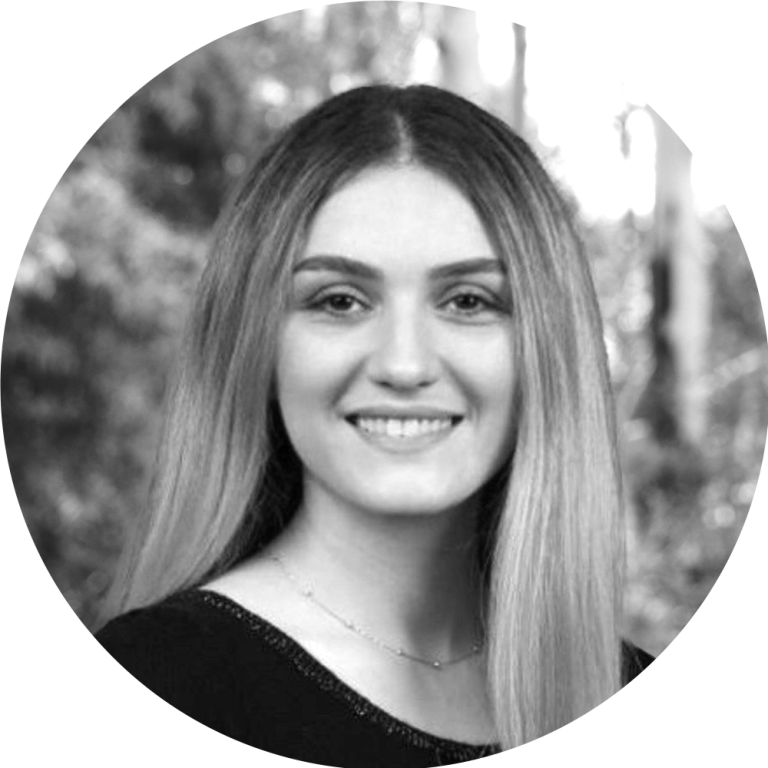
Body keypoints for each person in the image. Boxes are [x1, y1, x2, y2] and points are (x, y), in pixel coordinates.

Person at [94, 84, 654, 764]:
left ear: (548, 347)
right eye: (339, 301)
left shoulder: (619, 680)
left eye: (468, 301)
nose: (404, 364)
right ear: (255, 345)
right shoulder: (163, 675)